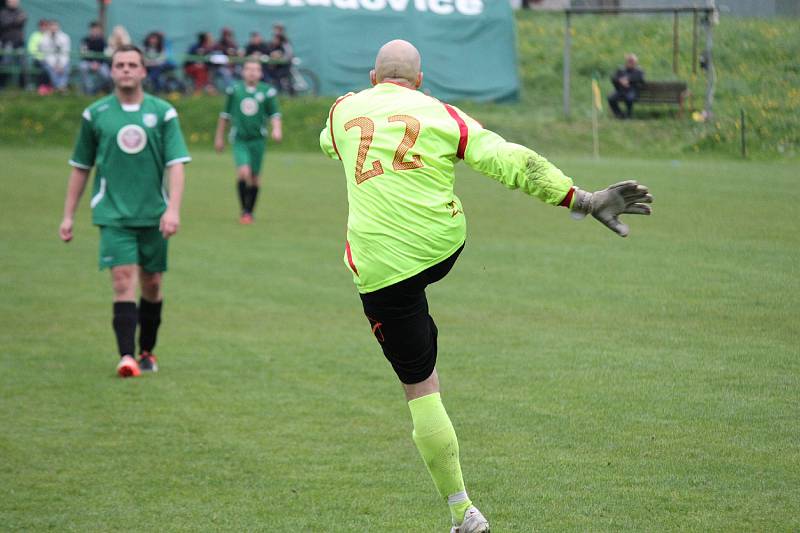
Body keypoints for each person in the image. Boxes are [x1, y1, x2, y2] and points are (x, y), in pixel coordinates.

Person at [319, 40, 653, 532]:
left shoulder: (343, 110)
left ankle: (462, 511)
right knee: (428, 278)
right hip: (442, 245)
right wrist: (581, 199)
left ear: (373, 78)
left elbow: (330, 144)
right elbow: (507, 158)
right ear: (421, 81)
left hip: (382, 268)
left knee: (421, 388)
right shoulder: (442, 114)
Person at [59, 44, 191, 378]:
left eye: (133, 64)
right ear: (112, 71)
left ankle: (147, 350)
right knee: (122, 281)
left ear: (144, 71)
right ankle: (126, 357)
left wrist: (173, 209)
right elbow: (80, 166)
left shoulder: (163, 113)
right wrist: (68, 215)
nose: (126, 69)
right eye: (120, 64)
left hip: (154, 215)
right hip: (113, 215)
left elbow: (176, 164)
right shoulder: (96, 114)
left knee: (152, 284)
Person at [214, 57, 282, 224]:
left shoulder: (267, 91)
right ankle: (244, 210)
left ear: (260, 73)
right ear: (243, 72)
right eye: (248, 69)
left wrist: (277, 129)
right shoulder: (235, 90)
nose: (252, 72)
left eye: (256, 69)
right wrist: (219, 138)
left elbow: (275, 114)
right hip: (240, 140)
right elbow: (225, 116)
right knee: (243, 172)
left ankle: (249, 212)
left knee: (255, 178)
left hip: (258, 140)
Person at [608, 53, 645, 119]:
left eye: (632, 61)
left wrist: (628, 80)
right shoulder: (621, 69)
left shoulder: (639, 70)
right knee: (611, 98)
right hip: (620, 90)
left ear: (635, 62)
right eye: (629, 61)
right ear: (627, 61)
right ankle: (619, 114)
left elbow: (640, 79)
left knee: (629, 98)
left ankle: (628, 114)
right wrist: (620, 80)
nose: (631, 63)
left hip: (632, 90)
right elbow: (613, 77)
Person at [0, 0, 27, 89]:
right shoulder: (3, 12)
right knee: (5, 64)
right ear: (7, 2)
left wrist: (14, 21)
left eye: (16, 1)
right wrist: (16, 20)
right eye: (13, 1)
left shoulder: (20, 11)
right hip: (7, 42)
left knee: (23, 64)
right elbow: (4, 23)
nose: (15, 3)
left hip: (19, 43)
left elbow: (23, 19)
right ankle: (2, 85)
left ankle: (23, 86)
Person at [78, 21, 110, 95]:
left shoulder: (103, 41)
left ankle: (94, 90)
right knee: (82, 67)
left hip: (101, 64)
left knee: (107, 76)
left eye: (97, 30)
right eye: (93, 29)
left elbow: (106, 55)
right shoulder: (85, 40)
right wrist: (92, 63)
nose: (95, 31)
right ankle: (88, 89)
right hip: (88, 62)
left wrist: (98, 63)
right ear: (90, 30)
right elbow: (83, 54)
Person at [39, 19, 70, 92]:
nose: (53, 28)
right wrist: (55, 65)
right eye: (51, 26)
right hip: (50, 62)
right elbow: (46, 54)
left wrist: (61, 65)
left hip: (62, 62)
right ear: (49, 28)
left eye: (55, 26)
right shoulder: (44, 38)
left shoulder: (64, 37)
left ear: (58, 27)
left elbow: (65, 54)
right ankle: (61, 87)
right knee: (50, 68)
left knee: (66, 67)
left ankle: (60, 87)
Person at [264, 23, 293, 94]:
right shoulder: (273, 42)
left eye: (278, 30)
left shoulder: (285, 42)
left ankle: (281, 94)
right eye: (275, 29)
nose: (276, 31)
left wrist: (280, 56)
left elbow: (288, 55)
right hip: (277, 65)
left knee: (279, 76)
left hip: (285, 65)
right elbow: (269, 51)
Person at [26, 18, 49, 93]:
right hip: (38, 59)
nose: (43, 27)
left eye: (45, 25)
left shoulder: (50, 35)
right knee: (43, 67)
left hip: (50, 59)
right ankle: (42, 86)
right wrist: (41, 57)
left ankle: (55, 87)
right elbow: (32, 49)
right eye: (42, 25)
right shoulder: (34, 35)